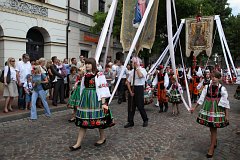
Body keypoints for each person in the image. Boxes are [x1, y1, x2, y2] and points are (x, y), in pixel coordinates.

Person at [69, 58, 115, 151]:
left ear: (93, 64)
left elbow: (103, 89)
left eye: (89, 64)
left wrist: (103, 103)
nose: (87, 65)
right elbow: (82, 88)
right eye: (86, 64)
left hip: (95, 100)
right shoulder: (85, 75)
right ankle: (78, 143)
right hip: (86, 100)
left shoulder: (99, 75)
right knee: (83, 121)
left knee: (99, 120)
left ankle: (102, 138)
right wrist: (80, 100)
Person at [190, 71, 230, 158]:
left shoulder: (222, 89)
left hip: (217, 109)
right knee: (211, 127)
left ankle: (211, 148)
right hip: (208, 108)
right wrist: (194, 108)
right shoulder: (207, 87)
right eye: (212, 77)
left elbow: (226, 102)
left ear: (219, 78)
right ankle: (214, 140)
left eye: (216, 77)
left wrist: (227, 115)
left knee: (213, 128)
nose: (214, 78)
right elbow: (201, 98)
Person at [124, 56, 148, 128]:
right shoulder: (132, 72)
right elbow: (127, 82)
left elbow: (140, 76)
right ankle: (130, 121)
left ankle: (145, 119)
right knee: (131, 106)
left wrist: (137, 67)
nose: (131, 64)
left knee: (140, 106)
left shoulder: (143, 70)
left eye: (132, 62)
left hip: (139, 88)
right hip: (132, 88)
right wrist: (130, 91)